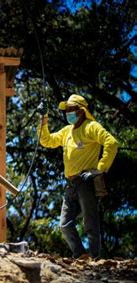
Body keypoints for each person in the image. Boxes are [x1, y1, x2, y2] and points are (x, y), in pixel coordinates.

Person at [38, 94, 118, 258]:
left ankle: (95, 258)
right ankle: (81, 255)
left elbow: (111, 142)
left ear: (81, 111)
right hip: (71, 183)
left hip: (86, 181)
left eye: (70, 109)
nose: (67, 113)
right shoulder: (67, 131)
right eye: (66, 110)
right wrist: (43, 118)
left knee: (90, 223)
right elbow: (46, 140)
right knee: (64, 225)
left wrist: (99, 169)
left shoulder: (91, 127)